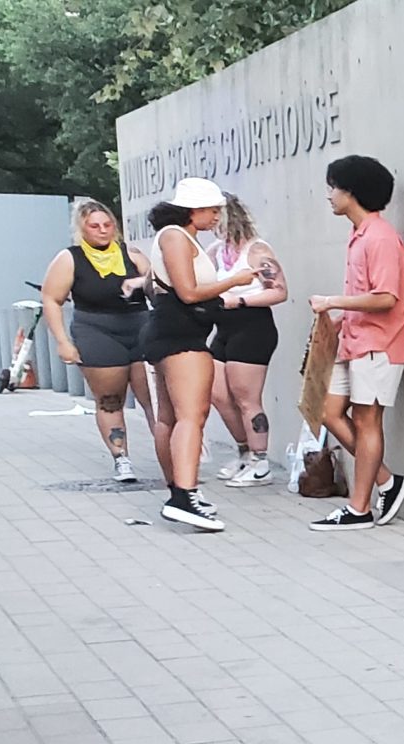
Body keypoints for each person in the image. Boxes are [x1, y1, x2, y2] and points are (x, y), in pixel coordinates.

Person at [145, 178, 256, 531]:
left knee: (171, 417)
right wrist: (235, 281)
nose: (215, 217)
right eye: (211, 210)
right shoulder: (175, 236)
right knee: (192, 415)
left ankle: (180, 490)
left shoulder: (176, 236)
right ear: (193, 209)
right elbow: (189, 292)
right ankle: (184, 493)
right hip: (181, 333)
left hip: (173, 329)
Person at [308, 154, 404, 531]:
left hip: (379, 347)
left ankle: (359, 508)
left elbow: (387, 297)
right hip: (355, 342)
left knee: (368, 422)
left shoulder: (381, 238)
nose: (329, 195)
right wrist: (339, 320)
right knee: (327, 411)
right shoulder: (361, 236)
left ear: (351, 191)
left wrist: (335, 301)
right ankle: (386, 480)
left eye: (333, 186)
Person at [39, 200, 162, 482]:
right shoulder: (70, 258)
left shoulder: (131, 254)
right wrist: (63, 341)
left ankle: (172, 456)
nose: (102, 231)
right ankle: (122, 458)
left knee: (155, 399)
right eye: (94, 226)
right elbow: (51, 298)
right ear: (82, 228)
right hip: (96, 329)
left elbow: (158, 289)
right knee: (109, 399)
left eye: (107, 225)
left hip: (139, 326)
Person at [204, 194, 287, 487]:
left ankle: (260, 460)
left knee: (246, 397)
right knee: (217, 393)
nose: (212, 224)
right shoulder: (216, 250)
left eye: (216, 216)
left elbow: (278, 291)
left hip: (252, 326)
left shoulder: (257, 251)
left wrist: (240, 300)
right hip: (223, 327)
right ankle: (243, 450)